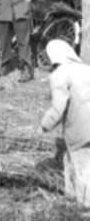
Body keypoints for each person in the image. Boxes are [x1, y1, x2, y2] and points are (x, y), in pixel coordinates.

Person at [39, 39, 90, 203]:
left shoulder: (59, 75)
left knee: (82, 169)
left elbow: (58, 107)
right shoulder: (87, 69)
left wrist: (44, 125)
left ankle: (84, 209)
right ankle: (71, 197)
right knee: (69, 160)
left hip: (81, 128)